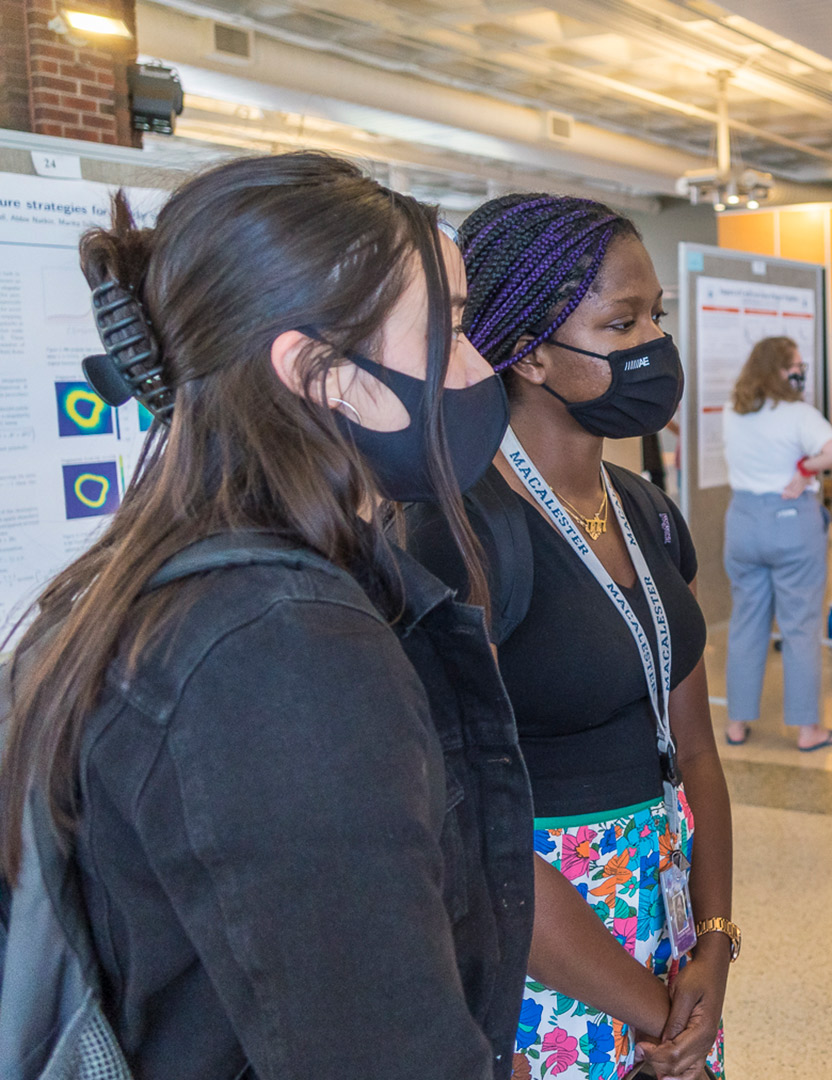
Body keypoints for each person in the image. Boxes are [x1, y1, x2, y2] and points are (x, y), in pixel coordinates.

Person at [0, 153, 534, 1077]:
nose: (484, 365)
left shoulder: (163, 588)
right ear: (322, 371)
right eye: (450, 328)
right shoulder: (281, 655)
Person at [410, 193, 737, 1080]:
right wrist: (654, 1008)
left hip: (670, 934)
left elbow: (696, 752)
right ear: (529, 353)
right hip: (546, 951)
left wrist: (711, 946)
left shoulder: (647, 512)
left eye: (656, 316)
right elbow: (472, 823)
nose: (653, 345)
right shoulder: (463, 533)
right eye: (620, 321)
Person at [722, 335, 832, 750]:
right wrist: (804, 469)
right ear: (778, 369)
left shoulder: (732, 410)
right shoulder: (798, 413)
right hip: (792, 522)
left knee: (745, 624)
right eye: (794, 364)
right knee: (799, 628)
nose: (799, 370)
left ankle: (736, 724)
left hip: (742, 521)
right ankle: (808, 730)